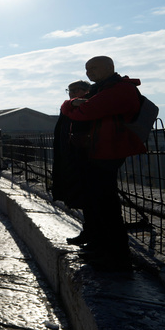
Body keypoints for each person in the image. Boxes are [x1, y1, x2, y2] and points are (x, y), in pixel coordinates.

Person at [60, 56, 146, 271]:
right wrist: (72, 104)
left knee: (105, 204)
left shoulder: (119, 89)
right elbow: (72, 107)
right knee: (96, 201)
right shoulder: (103, 88)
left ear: (109, 67)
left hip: (107, 151)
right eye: (87, 69)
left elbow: (84, 113)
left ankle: (115, 255)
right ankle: (99, 247)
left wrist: (72, 106)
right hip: (97, 150)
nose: (89, 73)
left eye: (94, 68)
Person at [51, 80, 92, 243]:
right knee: (84, 199)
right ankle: (88, 233)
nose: (72, 92)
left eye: (77, 90)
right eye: (70, 90)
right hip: (71, 157)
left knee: (89, 198)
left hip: (85, 157)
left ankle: (92, 235)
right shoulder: (69, 107)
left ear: (87, 91)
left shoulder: (86, 105)